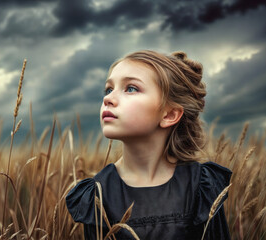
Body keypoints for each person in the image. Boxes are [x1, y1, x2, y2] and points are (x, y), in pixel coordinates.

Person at [65, 50, 232, 239]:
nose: (107, 99)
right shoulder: (98, 193)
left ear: (169, 115)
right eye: (109, 89)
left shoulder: (200, 186)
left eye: (131, 88)